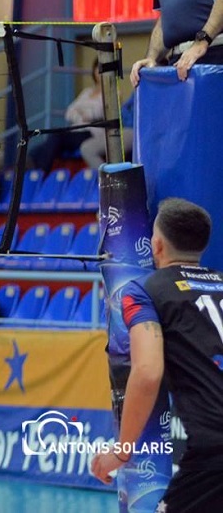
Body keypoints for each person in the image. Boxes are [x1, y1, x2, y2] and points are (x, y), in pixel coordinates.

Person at [91, 198, 223, 510]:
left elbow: (148, 372)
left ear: (157, 245)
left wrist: (121, 451)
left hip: (215, 449)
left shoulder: (143, 291)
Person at [28, 65, 102, 172]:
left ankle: (42, 173)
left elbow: (96, 114)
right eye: (97, 68)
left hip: (91, 133)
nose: (99, 71)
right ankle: (30, 170)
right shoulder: (87, 92)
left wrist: (81, 112)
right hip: (75, 130)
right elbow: (69, 112)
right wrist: (82, 115)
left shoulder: (110, 94)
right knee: (37, 148)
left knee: (57, 136)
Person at [80, 92, 135, 169]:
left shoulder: (145, 93)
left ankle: (110, 175)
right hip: (119, 128)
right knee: (86, 148)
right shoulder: (135, 94)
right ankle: (108, 174)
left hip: (133, 131)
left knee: (88, 149)